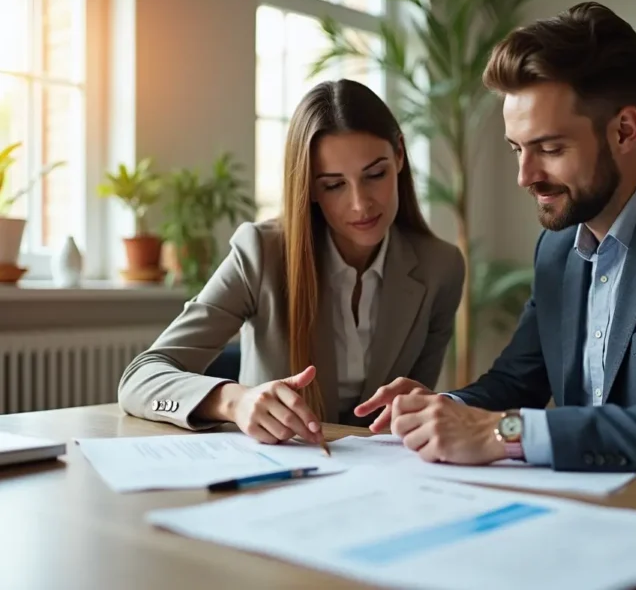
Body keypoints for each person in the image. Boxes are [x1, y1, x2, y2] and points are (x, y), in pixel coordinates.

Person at [356, 2, 636, 482]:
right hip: (595, 516)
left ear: (624, 130)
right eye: (516, 149)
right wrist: (443, 407)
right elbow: (515, 381)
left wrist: (509, 433)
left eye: (550, 149)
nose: (526, 176)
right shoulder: (557, 248)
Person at [118, 79, 465, 446]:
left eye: (374, 174)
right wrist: (234, 401)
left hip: (379, 478)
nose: (361, 204)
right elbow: (141, 377)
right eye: (334, 185)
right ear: (310, 188)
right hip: (274, 475)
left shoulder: (440, 268)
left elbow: (411, 404)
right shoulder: (261, 253)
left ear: (399, 154)